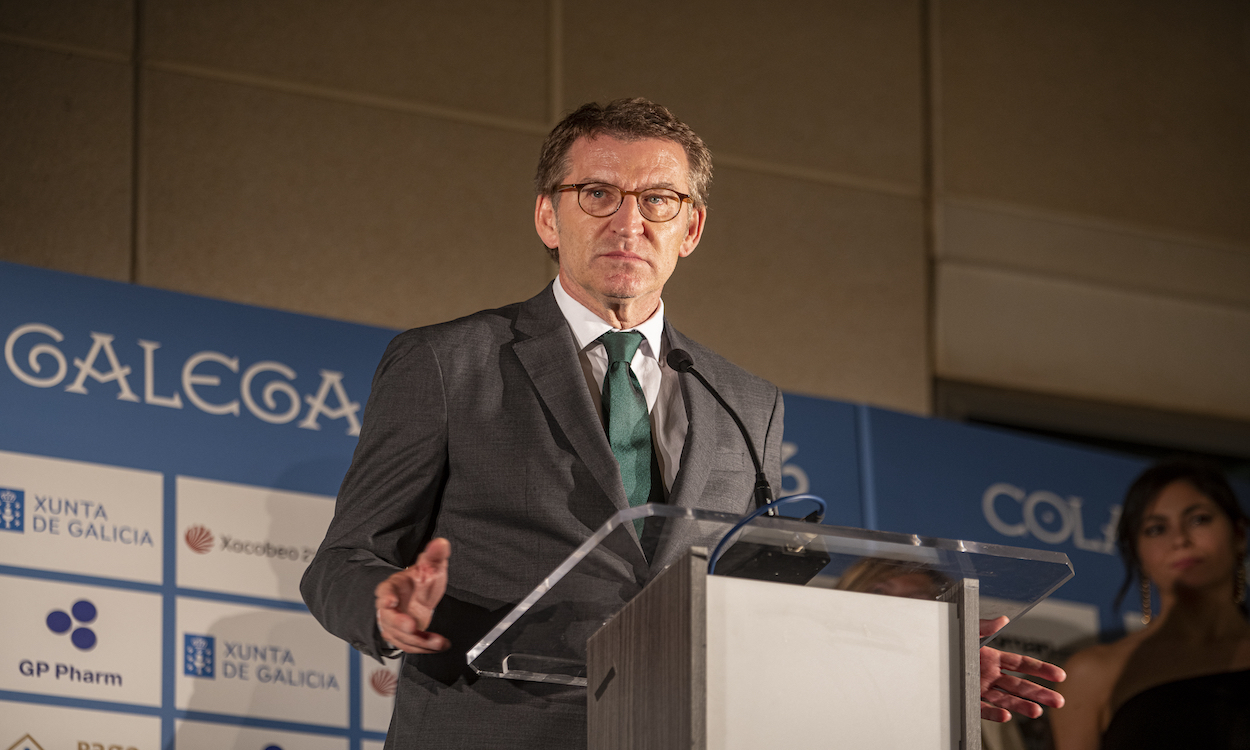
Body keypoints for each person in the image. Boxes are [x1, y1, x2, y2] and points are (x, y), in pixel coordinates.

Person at [301, 97, 1064, 748]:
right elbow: (342, 560)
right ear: (547, 215)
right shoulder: (447, 362)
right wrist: (385, 606)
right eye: (597, 193)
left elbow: (755, 609)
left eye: (656, 200)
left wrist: (916, 658)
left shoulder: (745, 399)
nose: (628, 222)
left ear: (689, 229)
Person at [1050, 459, 1250, 750]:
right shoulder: (1094, 673)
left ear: (1239, 534)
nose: (1180, 540)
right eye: (1156, 529)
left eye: (1199, 520)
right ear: (1136, 552)